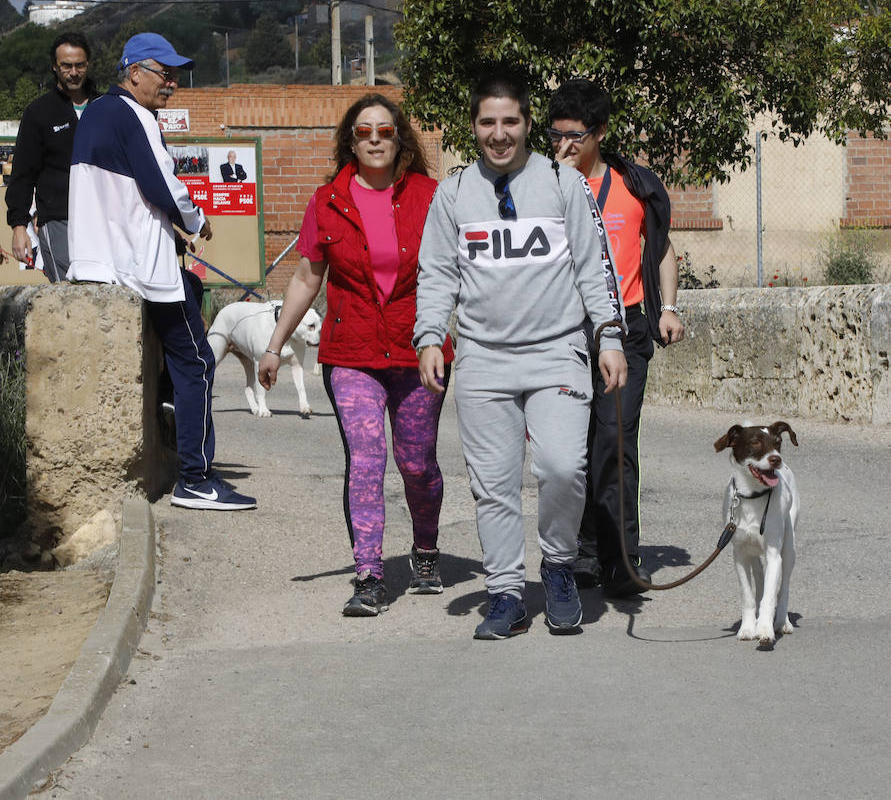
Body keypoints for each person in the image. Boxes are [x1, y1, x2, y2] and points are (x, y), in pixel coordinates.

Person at [414, 69, 627, 639]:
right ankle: (505, 593)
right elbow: (435, 273)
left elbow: (593, 267)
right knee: (495, 483)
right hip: (483, 360)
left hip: (557, 352)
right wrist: (430, 336)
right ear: (474, 126)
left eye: (511, 121)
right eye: (488, 122)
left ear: (529, 124)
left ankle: (558, 566)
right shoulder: (454, 192)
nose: (500, 133)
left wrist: (608, 337)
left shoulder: (563, 183)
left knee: (562, 466)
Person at [258, 93, 454, 617]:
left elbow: (462, 270)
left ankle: (426, 549)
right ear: (351, 139)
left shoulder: (432, 196)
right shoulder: (327, 201)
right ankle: (368, 574)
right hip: (352, 353)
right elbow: (306, 276)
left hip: (421, 353)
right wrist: (275, 345)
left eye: (384, 131)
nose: (374, 139)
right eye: (364, 130)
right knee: (367, 460)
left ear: (399, 138)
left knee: (416, 463)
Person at [67, 32, 256, 512]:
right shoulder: (135, 115)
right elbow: (162, 182)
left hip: (99, 263)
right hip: (142, 270)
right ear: (134, 72)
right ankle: (195, 477)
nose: (172, 83)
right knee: (198, 362)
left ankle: (176, 423)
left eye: (176, 75)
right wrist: (195, 219)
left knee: (173, 358)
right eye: (163, 73)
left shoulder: (97, 114)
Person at [548, 78, 685, 596]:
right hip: (564, 332)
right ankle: (583, 553)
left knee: (617, 441)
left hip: (626, 329)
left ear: (599, 132)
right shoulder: (546, 188)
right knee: (574, 447)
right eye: (555, 136)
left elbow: (661, 248)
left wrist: (667, 308)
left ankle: (622, 559)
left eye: (573, 137)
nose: (562, 147)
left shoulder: (634, 186)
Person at [5, 32, 101, 281]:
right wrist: (19, 226)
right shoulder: (39, 113)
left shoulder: (105, 107)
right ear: (54, 67)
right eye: (66, 66)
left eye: (79, 65)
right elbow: (23, 174)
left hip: (104, 221)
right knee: (70, 297)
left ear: (87, 64)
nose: (73, 72)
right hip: (59, 221)